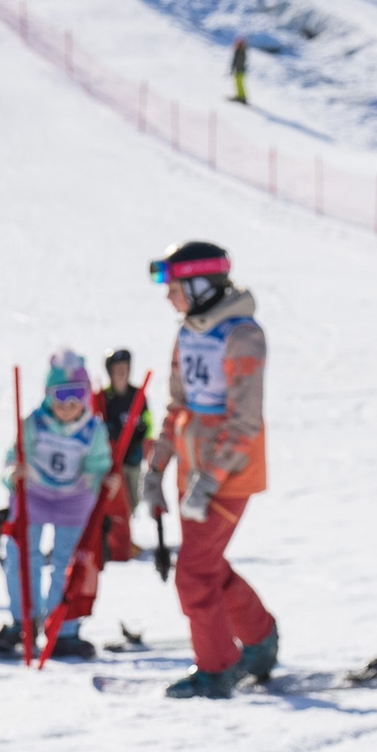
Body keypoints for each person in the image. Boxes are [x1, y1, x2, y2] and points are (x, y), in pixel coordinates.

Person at [143, 241, 277, 698]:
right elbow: (178, 405)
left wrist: (210, 480)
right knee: (207, 565)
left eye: (175, 286)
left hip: (228, 473)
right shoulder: (189, 332)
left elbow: (244, 420)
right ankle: (259, 639)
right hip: (192, 471)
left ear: (201, 284)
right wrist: (156, 466)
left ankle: (217, 668)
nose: (168, 297)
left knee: (194, 574)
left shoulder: (242, 335)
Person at [0, 350, 112, 660]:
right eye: (60, 395)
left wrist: (100, 480)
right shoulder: (34, 423)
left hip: (74, 500)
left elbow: (100, 464)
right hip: (34, 492)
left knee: (69, 562)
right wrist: (13, 474)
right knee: (21, 556)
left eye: (76, 394)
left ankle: (63, 626)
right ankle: (24, 619)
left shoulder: (93, 429)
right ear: (48, 396)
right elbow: (13, 457)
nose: (68, 404)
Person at [96, 348, 154, 563]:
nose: (121, 373)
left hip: (132, 457)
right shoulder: (104, 398)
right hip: (112, 461)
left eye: (125, 369)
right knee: (117, 501)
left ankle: (124, 537)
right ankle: (114, 538)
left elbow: (148, 423)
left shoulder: (137, 395)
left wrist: (146, 441)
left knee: (134, 499)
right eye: (117, 369)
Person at [230, 35, 249, 105]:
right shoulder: (237, 51)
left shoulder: (242, 52)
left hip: (241, 70)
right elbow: (234, 61)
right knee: (237, 83)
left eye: (240, 44)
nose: (238, 45)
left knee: (240, 83)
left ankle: (243, 97)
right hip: (238, 70)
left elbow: (240, 61)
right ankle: (239, 96)